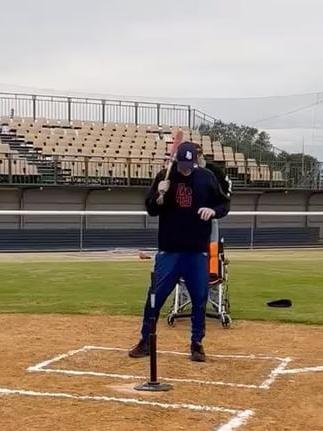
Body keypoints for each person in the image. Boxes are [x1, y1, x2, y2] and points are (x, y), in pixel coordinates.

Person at [128, 142, 230, 362]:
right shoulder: (164, 176)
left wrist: (213, 210)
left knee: (200, 299)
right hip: (169, 250)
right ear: (177, 160)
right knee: (154, 297)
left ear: (195, 160)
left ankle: (196, 343)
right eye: (183, 164)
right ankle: (146, 340)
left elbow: (224, 204)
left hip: (196, 251)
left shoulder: (206, 177)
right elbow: (151, 210)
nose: (186, 168)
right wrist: (160, 195)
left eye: (189, 164)